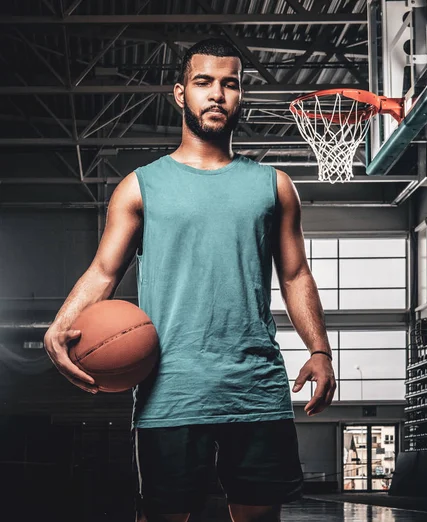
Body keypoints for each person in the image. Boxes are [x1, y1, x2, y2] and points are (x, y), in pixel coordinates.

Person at [43, 37, 337, 522]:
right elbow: (103, 271)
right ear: (181, 94)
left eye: (230, 84)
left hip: (256, 389)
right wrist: (60, 327)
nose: (217, 94)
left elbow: (295, 274)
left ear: (241, 94)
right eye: (204, 82)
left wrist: (320, 351)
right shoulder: (141, 186)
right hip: (171, 391)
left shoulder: (274, 185)